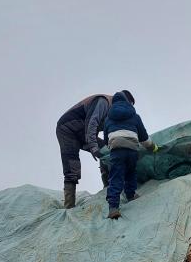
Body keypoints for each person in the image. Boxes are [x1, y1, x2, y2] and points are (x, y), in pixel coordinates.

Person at [55, 92, 131, 208]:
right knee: (72, 166)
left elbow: (110, 134)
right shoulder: (103, 102)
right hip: (67, 129)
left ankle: (107, 187)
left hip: (83, 131)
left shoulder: (114, 113)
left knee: (106, 150)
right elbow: (92, 122)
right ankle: (69, 206)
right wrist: (93, 146)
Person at [103, 91, 158, 219]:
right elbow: (143, 137)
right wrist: (153, 147)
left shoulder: (108, 119)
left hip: (116, 151)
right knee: (130, 172)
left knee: (116, 177)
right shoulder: (135, 116)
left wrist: (111, 144)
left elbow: (106, 139)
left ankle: (113, 208)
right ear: (127, 102)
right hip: (132, 150)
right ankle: (131, 195)